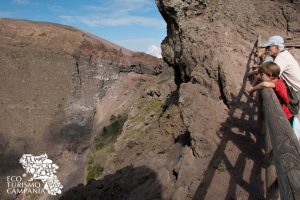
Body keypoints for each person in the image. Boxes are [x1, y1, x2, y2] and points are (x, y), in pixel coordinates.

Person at [260, 35, 300, 101]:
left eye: (269, 47)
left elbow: (268, 77)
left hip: (296, 92)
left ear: (277, 47)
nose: (267, 49)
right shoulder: (284, 54)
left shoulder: (281, 58)